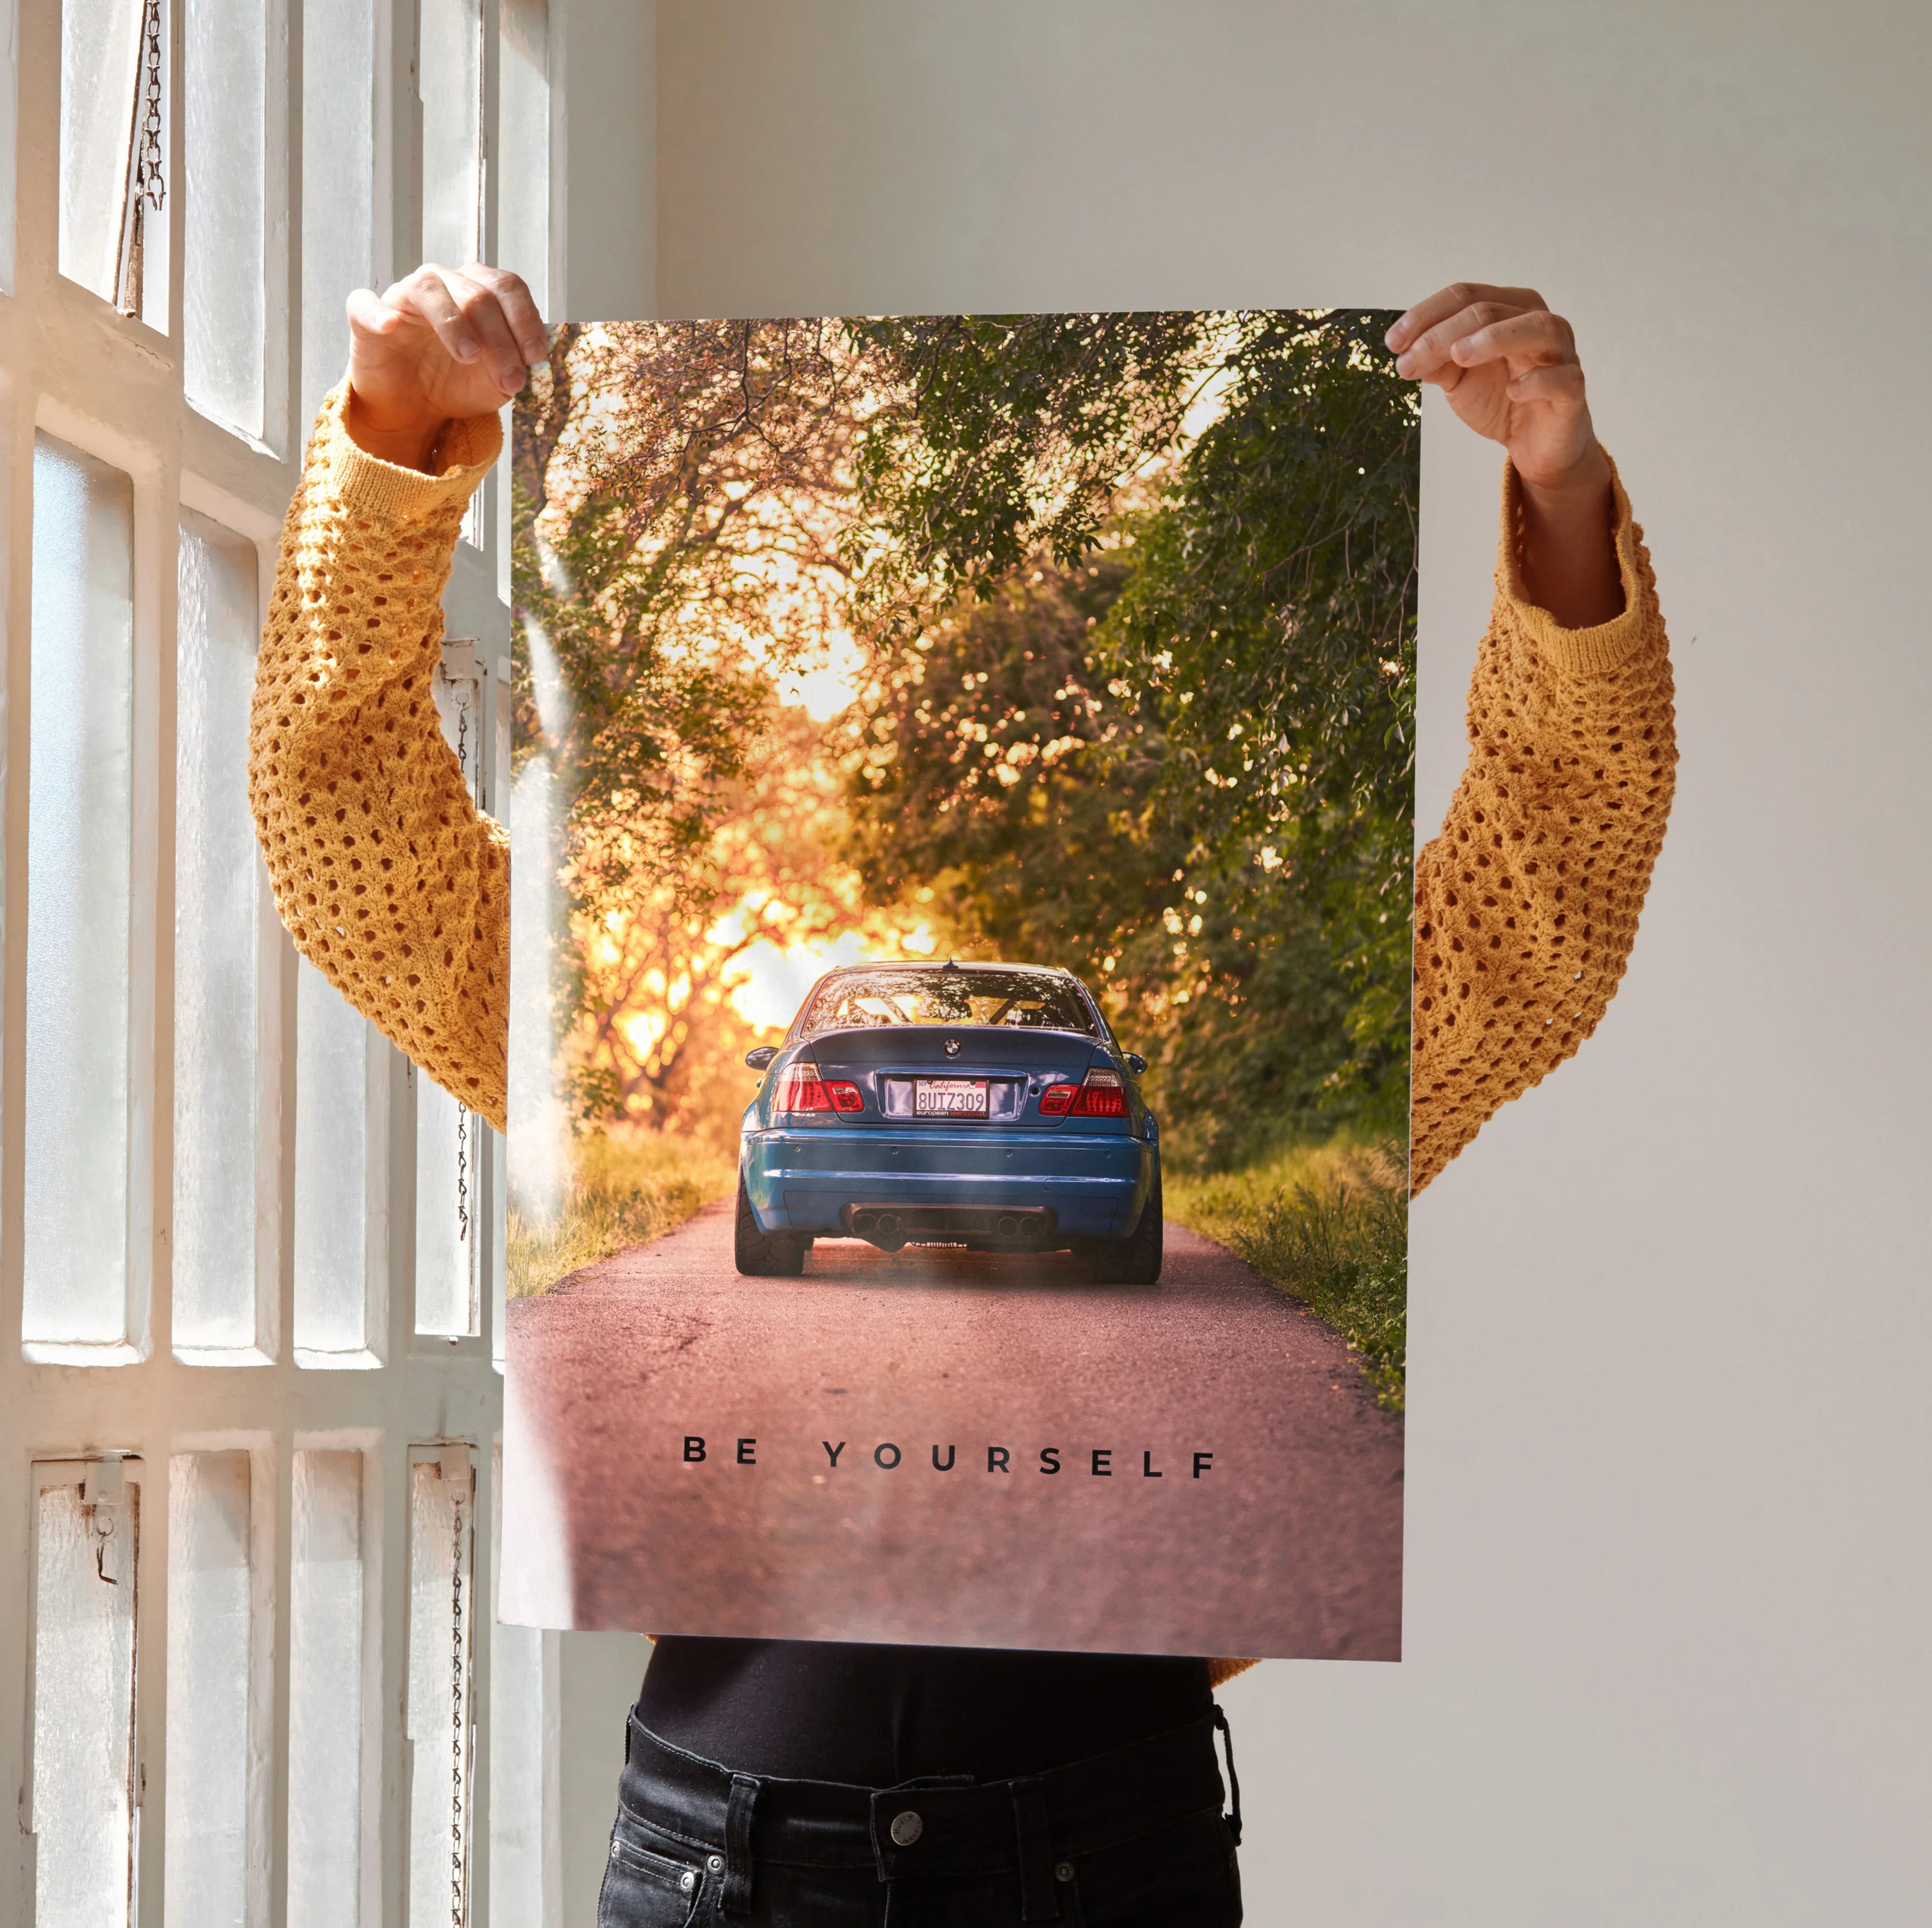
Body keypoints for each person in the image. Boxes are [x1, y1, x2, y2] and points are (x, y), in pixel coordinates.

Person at [250, 268, 1675, 1926]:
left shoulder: (1240, 1107)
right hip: (733, 1864)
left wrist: (1559, 489)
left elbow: (1544, 901)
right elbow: (347, 836)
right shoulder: (620, 1050)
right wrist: (396, 440)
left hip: (1100, 1850)